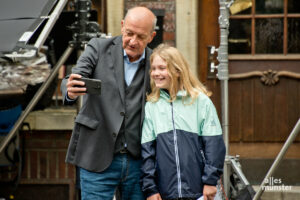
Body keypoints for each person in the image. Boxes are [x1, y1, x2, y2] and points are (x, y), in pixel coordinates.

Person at [60, 7, 157, 200]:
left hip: (138, 162)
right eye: (129, 33)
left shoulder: (156, 62)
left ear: (151, 37)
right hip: (97, 152)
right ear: (122, 26)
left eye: (140, 36)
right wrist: (69, 90)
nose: (133, 41)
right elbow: (74, 77)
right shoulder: (97, 47)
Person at [141, 44, 226, 200]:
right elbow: (147, 153)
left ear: (178, 70)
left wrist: (210, 181)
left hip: (200, 192)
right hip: (165, 193)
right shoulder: (152, 106)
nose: (155, 73)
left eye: (162, 68)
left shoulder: (201, 102)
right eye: (153, 69)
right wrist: (150, 189)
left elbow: (214, 146)